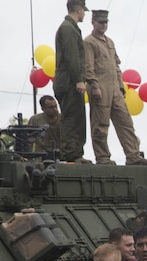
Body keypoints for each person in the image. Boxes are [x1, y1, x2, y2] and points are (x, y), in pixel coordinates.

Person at [83, 10, 147, 166]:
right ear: (93, 22)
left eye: (106, 22)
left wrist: (121, 87)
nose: (104, 25)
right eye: (101, 22)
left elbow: (116, 66)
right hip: (100, 87)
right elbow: (88, 66)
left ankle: (133, 155)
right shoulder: (89, 42)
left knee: (125, 122)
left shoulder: (110, 42)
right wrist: (94, 85)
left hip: (115, 88)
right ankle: (103, 157)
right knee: (100, 124)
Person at [54, 0, 89, 163]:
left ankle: (75, 153)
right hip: (69, 81)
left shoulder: (70, 28)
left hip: (68, 80)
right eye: (83, 11)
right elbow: (71, 56)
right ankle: (72, 155)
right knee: (72, 119)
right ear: (78, 9)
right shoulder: (68, 28)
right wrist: (78, 80)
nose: (84, 14)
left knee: (76, 118)